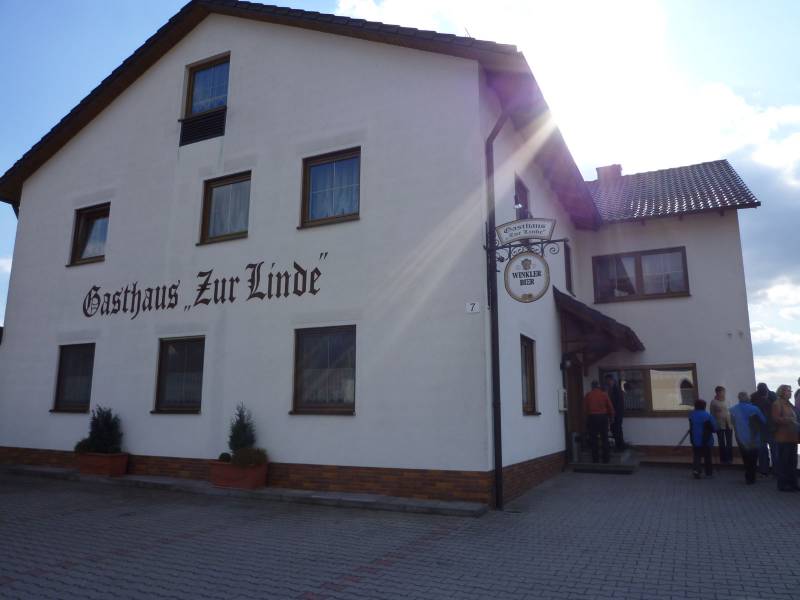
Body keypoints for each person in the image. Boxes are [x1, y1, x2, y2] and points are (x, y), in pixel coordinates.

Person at [730, 391, 767, 484]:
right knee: (753, 458)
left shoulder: (733, 409)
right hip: (753, 437)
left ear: (738, 398)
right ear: (747, 398)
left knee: (745, 458)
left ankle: (748, 476)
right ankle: (751, 477)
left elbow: (733, 423)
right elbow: (763, 421)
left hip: (740, 437)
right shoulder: (754, 409)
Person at [771, 384, 798, 492]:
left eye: (790, 391)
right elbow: (775, 419)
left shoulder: (789, 404)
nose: (790, 393)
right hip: (783, 438)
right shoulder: (777, 404)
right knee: (784, 462)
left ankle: (793, 483)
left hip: (792, 437)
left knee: (792, 462)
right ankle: (783, 485)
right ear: (782, 392)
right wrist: (789, 419)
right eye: (788, 391)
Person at [583, 381, 615, 464]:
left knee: (593, 439)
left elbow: (585, 409)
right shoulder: (604, 394)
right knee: (605, 438)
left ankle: (595, 460)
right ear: (598, 386)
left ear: (592, 386)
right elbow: (610, 407)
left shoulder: (588, 395)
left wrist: (586, 420)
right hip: (603, 418)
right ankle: (606, 459)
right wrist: (611, 418)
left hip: (592, 418)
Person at [751, 383, 777, 475]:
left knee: (762, 451)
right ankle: (776, 471)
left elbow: (753, 414)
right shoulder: (773, 396)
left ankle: (764, 470)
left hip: (760, 428)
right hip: (771, 427)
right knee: (774, 450)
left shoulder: (753, 397)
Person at [689, 399, 717, 479]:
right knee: (707, 456)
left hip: (695, 439)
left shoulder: (691, 415)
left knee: (697, 456)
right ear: (704, 406)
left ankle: (696, 471)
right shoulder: (708, 416)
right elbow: (714, 428)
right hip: (706, 440)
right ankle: (708, 473)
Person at [710, 386, 733, 464]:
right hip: (719, 424)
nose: (724, 393)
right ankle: (723, 459)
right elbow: (712, 414)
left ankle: (730, 458)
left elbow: (729, 411)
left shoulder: (727, 400)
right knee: (721, 442)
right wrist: (714, 424)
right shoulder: (713, 402)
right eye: (722, 392)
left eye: (724, 391)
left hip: (728, 423)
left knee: (729, 441)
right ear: (718, 392)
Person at [604, 373, 626, 452]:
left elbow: (617, 403)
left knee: (617, 429)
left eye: (608, 380)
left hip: (617, 412)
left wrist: (614, 414)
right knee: (615, 429)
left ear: (612, 380)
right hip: (614, 412)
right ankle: (620, 445)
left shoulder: (616, 390)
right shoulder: (611, 389)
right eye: (606, 381)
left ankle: (620, 446)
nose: (607, 382)